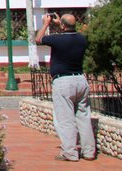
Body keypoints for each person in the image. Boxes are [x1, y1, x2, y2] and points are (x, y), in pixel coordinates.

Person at [36, 12, 96, 162]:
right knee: (83, 116)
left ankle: (70, 152)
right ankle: (89, 152)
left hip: (64, 82)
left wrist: (46, 23)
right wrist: (60, 24)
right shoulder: (82, 39)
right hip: (80, 80)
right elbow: (71, 33)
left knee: (65, 119)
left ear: (62, 25)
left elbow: (38, 39)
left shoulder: (58, 39)